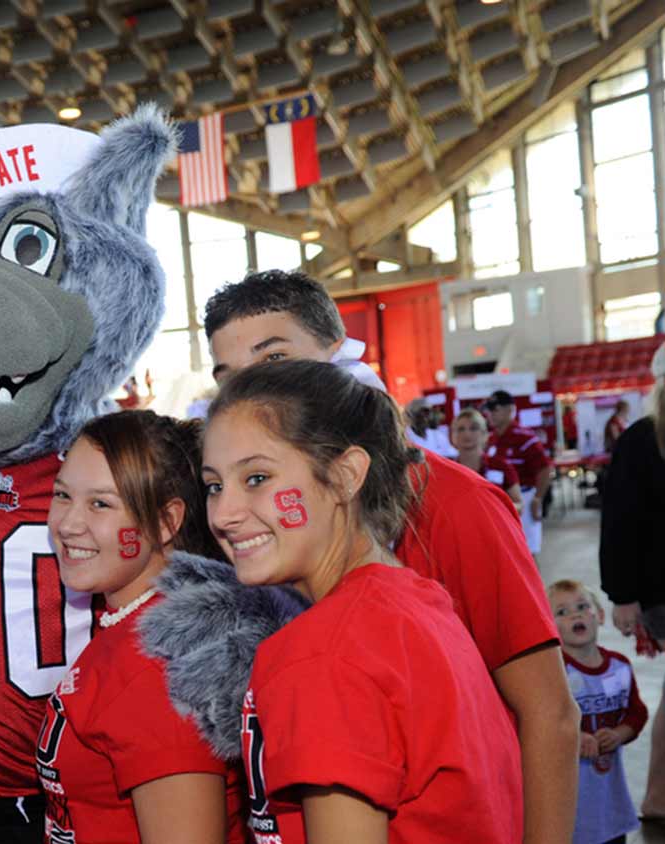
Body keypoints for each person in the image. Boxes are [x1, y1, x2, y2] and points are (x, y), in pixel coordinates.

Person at [203, 269, 575, 844]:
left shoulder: (453, 504)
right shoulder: (263, 520)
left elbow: (547, 712)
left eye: (273, 362)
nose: (248, 395)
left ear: (339, 357)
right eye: (229, 379)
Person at [38, 411, 244, 843]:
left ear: (168, 521)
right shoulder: (134, 619)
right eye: (62, 495)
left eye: (101, 504)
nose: (68, 524)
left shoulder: (156, 663)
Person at [601, 341, 665, 818]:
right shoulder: (641, 440)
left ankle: (659, 797)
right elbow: (619, 521)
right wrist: (623, 597)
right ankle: (657, 796)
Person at [548, 579, 646, 844]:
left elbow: (637, 713)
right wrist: (574, 737)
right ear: (549, 626)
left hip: (609, 796)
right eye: (562, 612)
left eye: (582, 606)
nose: (575, 614)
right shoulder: (554, 674)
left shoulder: (619, 667)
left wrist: (619, 734)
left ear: (600, 616)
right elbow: (543, 722)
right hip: (569, 799)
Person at [486, 389, 554, 554]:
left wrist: (537, 498)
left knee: (527, 552)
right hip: (499, 500)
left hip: (524, 497)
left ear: (510, 409)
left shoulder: (525, 437)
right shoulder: (491, 438)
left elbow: (545, 469)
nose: (490, 414)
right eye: (489, 410)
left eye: (495, 409)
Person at [451, 408, 522, 509]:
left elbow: (518, 504)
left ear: (485, 434)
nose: (467, 433)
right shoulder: (447, 469)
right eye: (461, 429)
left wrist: (495, 508)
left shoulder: (502, 466)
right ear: (453, 436)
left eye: (474, 428)